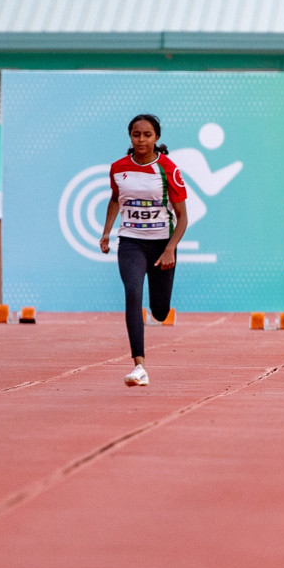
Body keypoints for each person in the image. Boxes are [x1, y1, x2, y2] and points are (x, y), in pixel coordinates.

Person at [98, 114, 189, 387]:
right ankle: (139, 366)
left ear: (156, 138)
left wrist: (171, 249)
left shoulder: (168, 169)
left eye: (147, 135)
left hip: (162, 245)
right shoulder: (118, 168)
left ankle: (158, 309)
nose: (141, 140)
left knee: (160, 312)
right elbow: (115, 200)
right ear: (130, 137)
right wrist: (106, 232)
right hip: (131, 243)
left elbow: (183, 217)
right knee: (132, 294)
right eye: (136, 135)